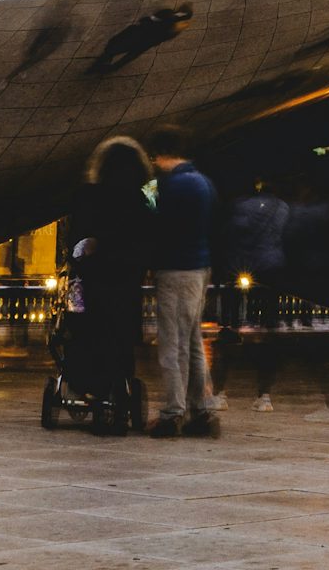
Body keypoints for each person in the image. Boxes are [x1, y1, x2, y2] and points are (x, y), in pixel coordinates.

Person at [64, 136, 154, 434]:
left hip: (97, 276)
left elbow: (75, 236)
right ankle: (122, 396)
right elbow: (154, 227)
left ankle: (98, 395)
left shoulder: (88, 193)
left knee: (97, 337)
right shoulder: (148, 191)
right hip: (128, 276)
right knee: (122, 341)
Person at [142, 126, 217, 438]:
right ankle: (202, 409)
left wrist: (147, 194)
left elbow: (156, 223)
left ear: (159, 155)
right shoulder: (203, 182)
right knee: (193, 342)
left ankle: (173, 413)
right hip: (199, 268)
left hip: (176, 270)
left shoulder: (171, 186)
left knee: (172, 345)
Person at [224, 177, 291, 409]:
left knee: (234, 325)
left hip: (245, 266)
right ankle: (264, 395)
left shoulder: (241, 206)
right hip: (273, 268)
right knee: (269, 326)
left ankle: (221, 391)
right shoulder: (283, 207)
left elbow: (234, 233)